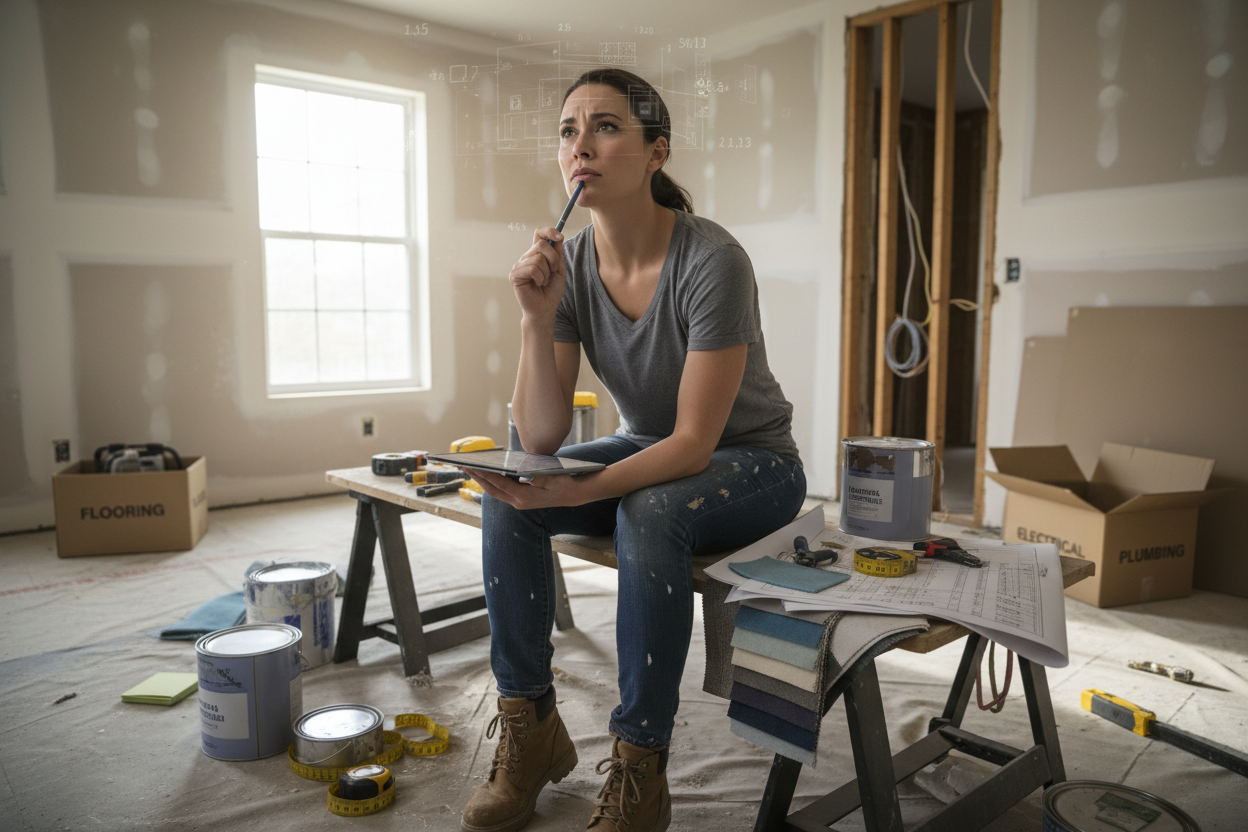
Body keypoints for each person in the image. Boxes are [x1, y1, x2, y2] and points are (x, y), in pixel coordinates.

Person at [458, 68, 806, 832]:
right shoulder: (570, 265)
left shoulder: (714, 261)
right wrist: (533, 317)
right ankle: (532, 727)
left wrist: (583, 492)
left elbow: (692, 443)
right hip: (654, 447)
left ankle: (640, 767)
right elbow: (542, 438)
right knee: (511, 486)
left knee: (647, 511)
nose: (581, 145)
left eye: (606, 126)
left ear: (656, 152)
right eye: (568, 130)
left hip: (754, 462)